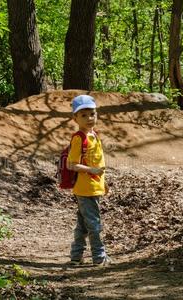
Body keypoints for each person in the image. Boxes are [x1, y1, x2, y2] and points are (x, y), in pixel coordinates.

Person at [66, 94, 111, 267]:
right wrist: (91, 171)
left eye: (92, 114)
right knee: (94, 224)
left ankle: (76, 257)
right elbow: (71, 164)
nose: (89, 118)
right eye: (83, 115)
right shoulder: (79, 138)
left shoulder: (94, 135)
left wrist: (103, 181)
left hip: (94, 186)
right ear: (75, 118)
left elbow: (99, 163)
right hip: (84, 188)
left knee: (83, 225)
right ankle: (99, 257)